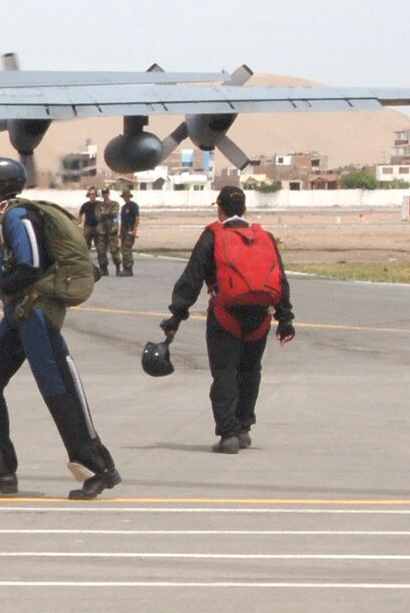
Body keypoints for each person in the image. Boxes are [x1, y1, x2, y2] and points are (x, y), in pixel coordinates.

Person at [0, 156, 121, 500]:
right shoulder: (4, 217)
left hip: (36, 313)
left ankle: (98, 469)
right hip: (18, 312)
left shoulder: (18, 217)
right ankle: (1, 470)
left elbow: (30, 268)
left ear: (0, 185)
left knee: (59, 389)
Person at [159, 185, 295, 453]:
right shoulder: (264, 236)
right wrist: (285, 318)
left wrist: (176, 316)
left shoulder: (213, 236)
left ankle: (229, 434)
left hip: (225, 316)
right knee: (250, 372)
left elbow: (192, 277)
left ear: (220, 209)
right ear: (243, 209)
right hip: (260, 318)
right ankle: (244, 428)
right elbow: (280, 278)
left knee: (224, 374)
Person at [78, 187, 107, 276]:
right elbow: (80, 214)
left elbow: (105, 214)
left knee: (100, 248)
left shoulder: (100, 204)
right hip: (88, 227)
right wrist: (80, 225)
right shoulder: (85, 205)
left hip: (98, 227)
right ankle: (84, 268)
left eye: (93, 194)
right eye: (90, 194)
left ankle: (103, 268)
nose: (92, 196)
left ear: (96, 195)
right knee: (85, 248)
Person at [98, 187, 122, 275]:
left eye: (106, 193)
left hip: (112, 231)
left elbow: (114, 213)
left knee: (114, 249)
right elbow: (98, 216)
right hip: (102, 231)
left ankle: (118, 267)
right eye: (103, 194)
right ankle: (104, 268)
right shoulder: (99, 206)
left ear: (109, 194)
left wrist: (105, 213)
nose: (105, 195)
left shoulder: (115, 204)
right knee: (101, 250)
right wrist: (107, 214)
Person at [118, 190, 140, 275]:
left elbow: (137, 218)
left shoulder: (133, 206)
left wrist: (135, 230)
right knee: (123, 249)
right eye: (124, 197)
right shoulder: (124, 207)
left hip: (130, 228)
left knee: (127, 248)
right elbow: (122, 221)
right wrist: (120, 232)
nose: (125, 198)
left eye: (126, 196)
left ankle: (128, 268)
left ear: (129, 197)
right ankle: (125, 267)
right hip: (124, 228)